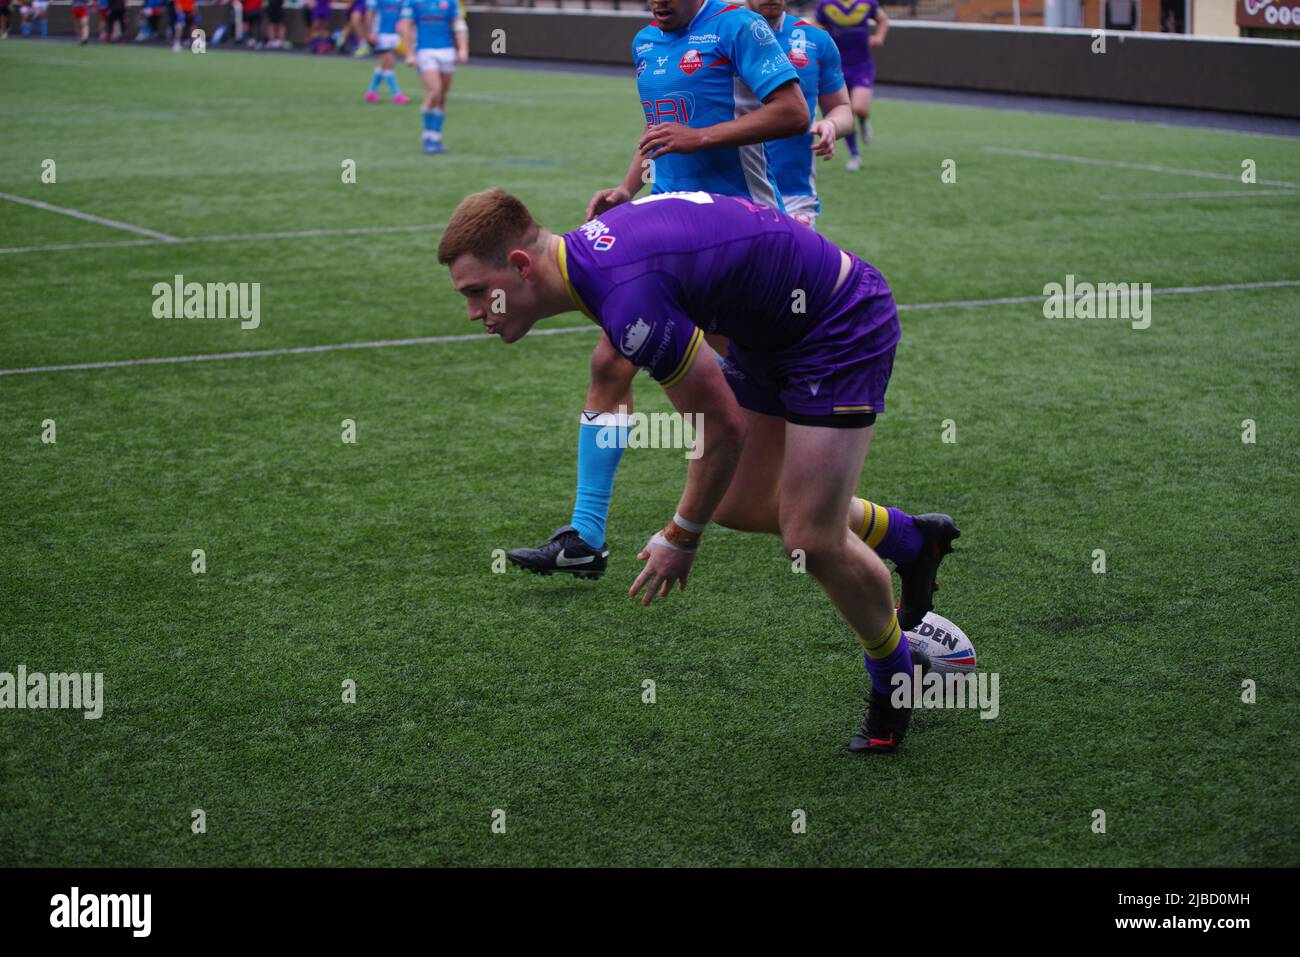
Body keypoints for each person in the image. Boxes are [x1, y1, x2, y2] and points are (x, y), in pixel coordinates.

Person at [439, 187, 960, 753]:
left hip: (837, 326)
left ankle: (895, 681)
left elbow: (722, 429)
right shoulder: (591, 266)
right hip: (769, 334)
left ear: (518, 265)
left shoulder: (622, 297)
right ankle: (912, 539)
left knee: (808, 537)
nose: (473, 312)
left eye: (476, 293)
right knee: (739, 504)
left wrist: (681, 536)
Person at [505, 0, 808, 578]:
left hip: (736, 238)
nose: (656, 2)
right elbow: (658, 129)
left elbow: (792, 112)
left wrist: (704, 138)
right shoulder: (645, 41)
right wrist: (627, 188)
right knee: (610, 361)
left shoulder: (736, 25)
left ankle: (845, 509)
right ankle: (586, 535)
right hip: (665, 233)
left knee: (764, 386)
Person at [747, 0, 852, 229]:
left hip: (794, 197)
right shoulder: (719, 36)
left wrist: (832, 125)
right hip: (731, 192)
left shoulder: (816, 40)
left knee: (793, 265)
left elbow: (842, 108)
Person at [814, 0, 887, 171]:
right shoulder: (826, 4)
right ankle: (855, 155)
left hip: (862, 66)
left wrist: (879, 37)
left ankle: (863, 121)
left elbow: (882, 19)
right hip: (835, 67)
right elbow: (815, 24)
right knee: (845, 113)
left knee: (860, 108)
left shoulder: (867, 3)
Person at [399, 0, 468, 154]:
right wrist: (409, 53)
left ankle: (436, 138)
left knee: (442, 96)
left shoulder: (450, 2)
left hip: (447, 51)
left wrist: (463, 49)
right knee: (434, 91)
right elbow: (406, 26)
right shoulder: (413, 2)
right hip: (425, 51)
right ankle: (427, 137)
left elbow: (459, 25)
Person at [363, 0, 408, 103]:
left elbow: (402, 16)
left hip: (393, 35)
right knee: (389, 63)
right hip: (381, 34)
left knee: (384, 64)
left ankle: (371, 93)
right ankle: (397, 95)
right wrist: (370, 32)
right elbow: (370, 13)